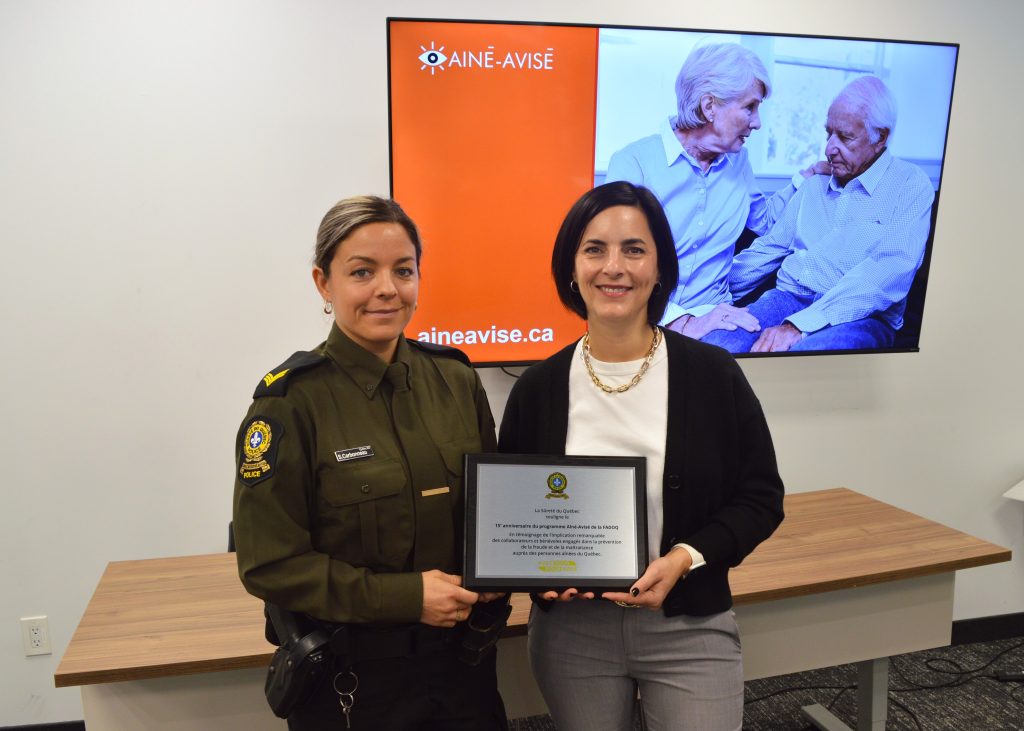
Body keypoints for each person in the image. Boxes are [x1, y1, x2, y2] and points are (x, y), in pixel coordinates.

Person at [499, 181, 785, 731]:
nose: (614, 267)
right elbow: (513, 513)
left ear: (659, 269)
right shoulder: (537, 388)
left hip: (689, 624)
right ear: (572, 268)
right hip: (573, 633)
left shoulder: (714, 375)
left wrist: (685, 558)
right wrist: (537, 574)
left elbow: (760, 498)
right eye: (594, 249)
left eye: (634, 249)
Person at [232, 195, 507, 730]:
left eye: (403, 270)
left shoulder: (455, 380)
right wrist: (406, 597)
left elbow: (492, 515)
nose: (388, 288)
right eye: (363, 272)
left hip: (464, 671)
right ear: (323, 283)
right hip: (354, 683)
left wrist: (501, 568)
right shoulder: (289, 404)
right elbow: (270, 565)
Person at [605, 42, 828, 340]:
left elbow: (765, 222)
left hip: (717, 319)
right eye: (749, 107)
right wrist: (683, 323)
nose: (757, 123)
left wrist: (805, 180)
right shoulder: (634, 163)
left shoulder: (738, 162)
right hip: (644, 320)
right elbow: (617, 265)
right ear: (709, 106)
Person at [703, 76, 934, 354]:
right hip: (787, 298)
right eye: (828, 134)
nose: (829, 149)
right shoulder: (814, 185)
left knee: (805, 361)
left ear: (880, 137)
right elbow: (768, 250)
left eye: (845, 137)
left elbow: (888, 272)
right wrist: (702, 299)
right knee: (714, 349)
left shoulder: (910, 185)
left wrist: (800, 326)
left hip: (860, 316)